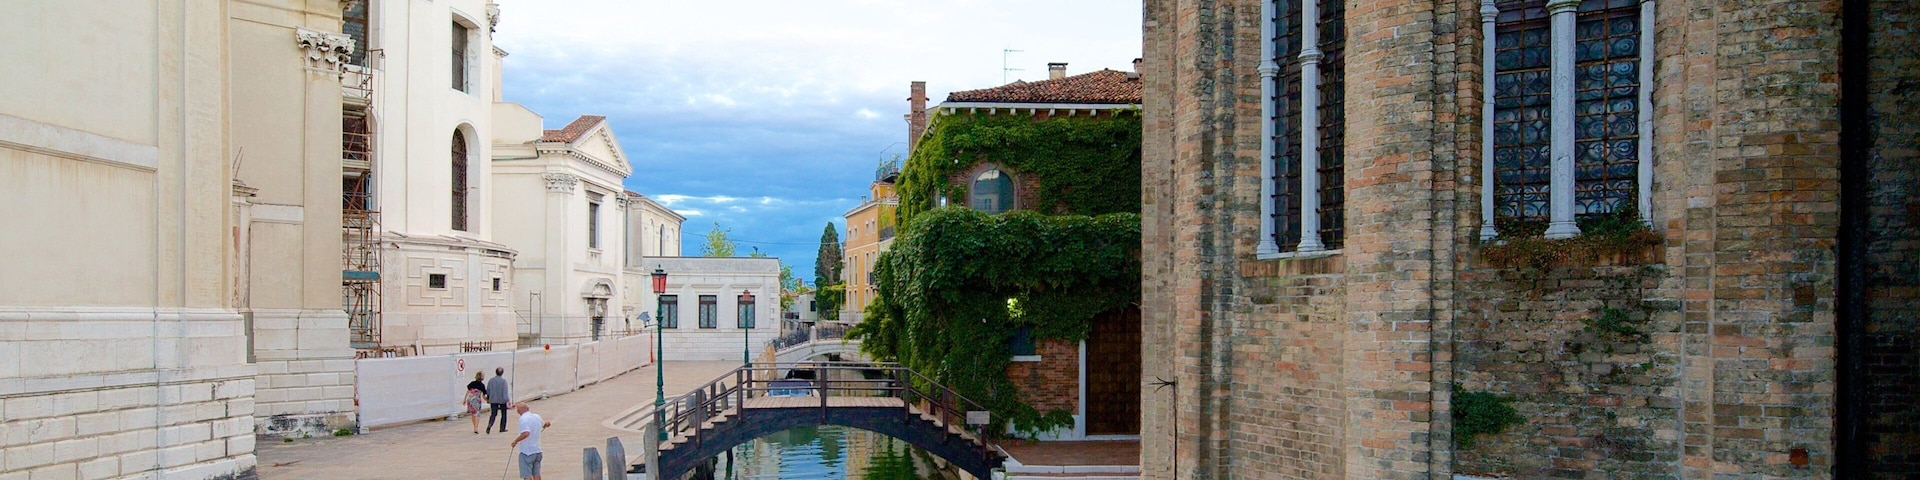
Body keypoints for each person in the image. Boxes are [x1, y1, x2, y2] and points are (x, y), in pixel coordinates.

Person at [508, 402, 551, 480]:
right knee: (536, 473)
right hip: (537, 450)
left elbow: (526, 433)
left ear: (519, 411)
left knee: (527, 475)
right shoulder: (536, 416)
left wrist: (515, 441)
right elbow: (544, 425)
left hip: (527, 451)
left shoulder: (523, 419)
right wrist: (547, 424)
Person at [486, 367, 511, 433]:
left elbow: (488, 390)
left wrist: (488, 397)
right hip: (502, 400)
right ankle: (502, 428)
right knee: (504, 414)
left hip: (493, 399)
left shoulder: (491, 380)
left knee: (493, 413)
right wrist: (507, 400)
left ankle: (490, 424)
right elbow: (505, 391)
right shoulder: (503, 381)